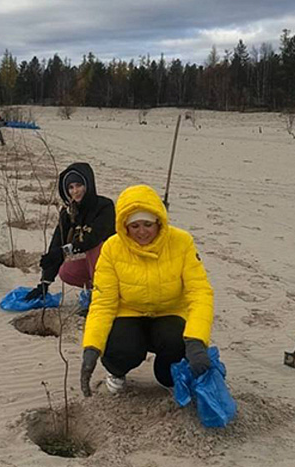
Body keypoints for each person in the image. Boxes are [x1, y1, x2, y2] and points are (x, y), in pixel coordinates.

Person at [79, 184, 214, 396]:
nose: (142, 232)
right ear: (124, 226)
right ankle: (116, 373)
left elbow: (200, 293)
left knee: (176, 343)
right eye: (134, 226)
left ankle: (169, 377)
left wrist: (197, 341)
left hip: (169, 312)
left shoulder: (182, 242)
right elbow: (103, 303)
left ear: (159, 221)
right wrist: (91, 348)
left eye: (148, 224)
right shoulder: (112, 248)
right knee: (120, 346)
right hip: (129, 312)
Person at [24, 163, 115, 309]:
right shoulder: (68, 212)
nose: (75, 191)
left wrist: (64, 251)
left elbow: (92, 238)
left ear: (88, 184)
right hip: (96, 266)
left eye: (79, 185)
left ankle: (103, 298)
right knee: (67, 273)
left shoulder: (105, 206)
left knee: (96, 248)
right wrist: (44, 282)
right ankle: (99, 290)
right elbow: (57, 240)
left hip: (115, 263)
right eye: (70, 187)